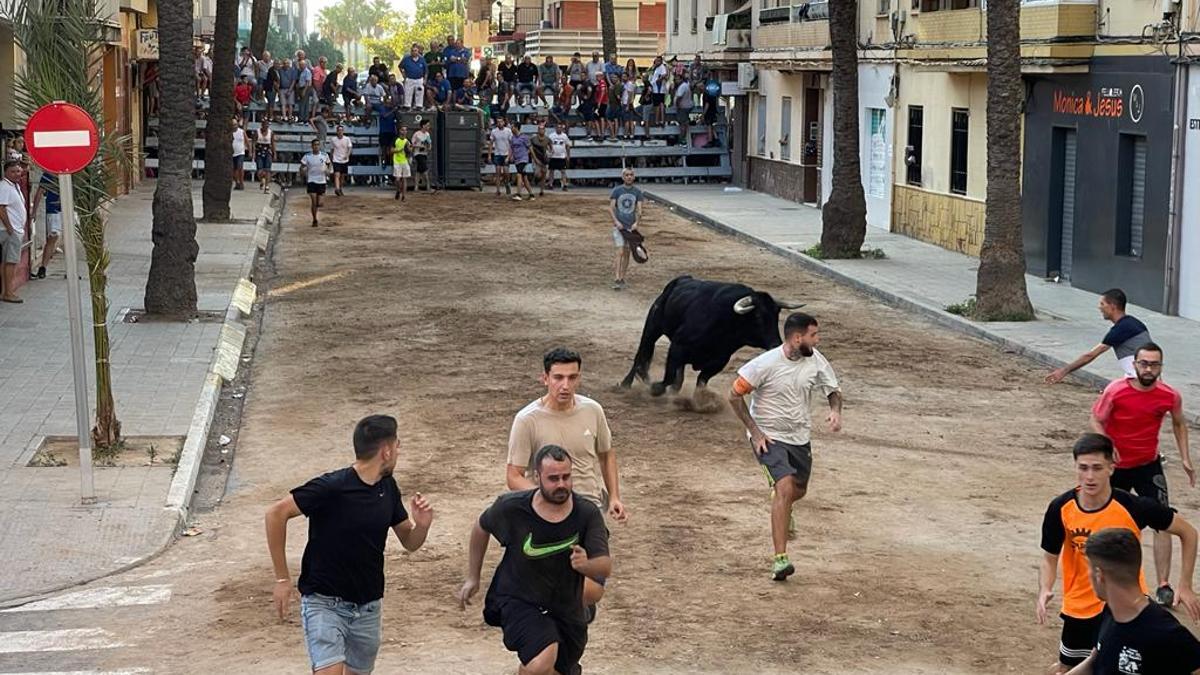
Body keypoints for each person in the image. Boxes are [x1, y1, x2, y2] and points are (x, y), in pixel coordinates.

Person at [265, 414, 433, 675]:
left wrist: (421, 525)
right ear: (386, 451)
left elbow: (410, 542)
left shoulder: (387, 487)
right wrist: (282, 579)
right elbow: (276, 513)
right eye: (397, 445)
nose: (399, 451)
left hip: (368, 606)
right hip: (324, 602)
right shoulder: (332, 487)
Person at [1038, 433, 1200, 673]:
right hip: (1079, 609)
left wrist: (1185, 583)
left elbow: (1188, 532)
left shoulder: (1134, 506)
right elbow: (1049, 556)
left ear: (1111, 468)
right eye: (1083, 468)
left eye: (1097, 468)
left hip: (1125, 605)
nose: (1090, 476)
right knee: (1074, 665)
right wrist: (1045, 588)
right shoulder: (1061, 507)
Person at [460, 444, 611, 675]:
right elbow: (481, 527)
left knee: (556, 668)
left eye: (566, 477)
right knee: (541, 663)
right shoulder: (512, 508)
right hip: (518, 599)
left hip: (565, 606)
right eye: (553, 478)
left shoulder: (587, 514)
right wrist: (473, 577)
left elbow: (605, 566)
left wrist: (587, 565)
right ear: (537, 477)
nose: (561, 484)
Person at [505, 348, 627, 616]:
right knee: (556, 595)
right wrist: (548, 496)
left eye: (572, 378)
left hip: (589, 513)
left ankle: (566, 643)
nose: (565, 385)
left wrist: (615, 496)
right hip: (547, 518)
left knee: (588, 593)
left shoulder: (592, 411)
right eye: (558, 377)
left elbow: (606, 453)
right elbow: (514, 476)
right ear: (544, 378)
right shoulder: (528, 420)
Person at [728, 312, 842, 580]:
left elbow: (833, 390)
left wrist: (836, 411)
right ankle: (780, 559)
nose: (818, 340)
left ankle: (784, 503)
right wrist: (755, 432)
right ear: (797, 337)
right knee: (785, 487)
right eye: (814, 335)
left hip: (800, 438)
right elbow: (733, 395)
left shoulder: (816, 360)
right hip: (770, 438)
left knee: (798, 491)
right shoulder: (765, 364)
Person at [1091, 341, 1194, 605]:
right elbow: (1096, 419)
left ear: (1161, 367)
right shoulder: (1116, 391)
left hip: (1148, 466)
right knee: (1109, 521)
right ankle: (1104, 575)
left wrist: (1185, 457)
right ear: (1134, 365)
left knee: (1164, 521)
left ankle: (1163, 585)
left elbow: (1180, 423)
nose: (1148, 369)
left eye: (1154, 364)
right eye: (1144, 363)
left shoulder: (1169, 395)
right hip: (1117, 468)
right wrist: (1107, 446)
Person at [1064, 528, 1200, 674]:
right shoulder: (1110, 611)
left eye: (1088, 569)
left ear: (1099, 575)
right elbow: (1094, 661)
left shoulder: (1165, 632)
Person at [1047, 289, 1153, 383]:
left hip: (1140, 380)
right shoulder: (1135, 323)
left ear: (1112, 306)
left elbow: (1090, 356)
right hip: (1146, 377)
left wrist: (1063, 371)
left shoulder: (1120, 329)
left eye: (1102, 304)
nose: (1099, 307)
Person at [609, 169, 642, 290]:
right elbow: (611, 208)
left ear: (634, 177)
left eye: (631, 175)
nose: (629, 177)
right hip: (619, 226)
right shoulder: (617, 191)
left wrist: (636, 223)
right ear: (623, 177)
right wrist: (616, 222)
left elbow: (639, 210)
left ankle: (622, 277)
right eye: (627, 175)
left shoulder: (638, 192)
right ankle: (617, 277)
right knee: (620, 251)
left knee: (627, 252)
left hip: (630, 227)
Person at [0, 160, 27, 303]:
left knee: (7, 261)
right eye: (13, 171)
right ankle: (8, 293)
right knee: (10, 262)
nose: (17, 174)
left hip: (15, 230)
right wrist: (10, 228)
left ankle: (5, 291)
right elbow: (1, 208)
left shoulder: (14, 186)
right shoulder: (4, 186)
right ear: (6, 172)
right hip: (11, 231)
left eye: (18, 171)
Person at [30, 170, 61, 280]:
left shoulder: (73, 172)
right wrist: (34, 211)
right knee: (52, 237)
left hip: (67, 209)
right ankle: (43, 267)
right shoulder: (49, 174)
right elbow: (40, 192)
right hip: (53, 210)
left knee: (62, 239)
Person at [299, 139, 331, 227]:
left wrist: (328, 171)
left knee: (319, 203)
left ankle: (316, 207)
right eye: (314, 145)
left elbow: (328, 165)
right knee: (313, 201)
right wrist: (302, 172)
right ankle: (314, 219)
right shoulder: (307, 156)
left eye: (317, 145)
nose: (316, 146)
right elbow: (302, 166)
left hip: (321, 181)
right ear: (312, 146)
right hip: (311, 180)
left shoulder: (324, 155)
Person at [488, 115, 514, 198]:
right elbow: (491, 143)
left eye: (501, 121)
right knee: (498, 172)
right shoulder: (494, 131)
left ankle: (507, 183)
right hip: (497, 154)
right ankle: (498, 190)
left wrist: (510, 155)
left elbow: (511, 144)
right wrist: (489, 155)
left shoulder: (508, 131)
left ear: (504, 122)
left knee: (506, 172)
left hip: (506, 153)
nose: (499, 123)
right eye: (498, 122)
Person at [509, 125, 534, 201]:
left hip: (523, 159)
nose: (512, 128)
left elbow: (530, 148)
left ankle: (519, 194)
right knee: (524, 178)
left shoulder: (524, 137)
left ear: (517, 128)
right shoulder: (513, 138)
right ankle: (531, 195)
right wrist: (510, 156)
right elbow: (512, 148)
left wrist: (531, 156)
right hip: (517, 159)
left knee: (519, 175)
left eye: (513, 127)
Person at [400, 44, 427, 109]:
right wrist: (403, 74)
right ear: (411, 52)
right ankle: (407, 106)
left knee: (419, 93)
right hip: (409, 79)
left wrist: (425, 79)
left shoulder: (422, 59)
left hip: (419, 79)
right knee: (408, 93)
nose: (414, 52)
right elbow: (400, 66)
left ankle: (419, 106)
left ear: (418, 52)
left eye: (415, 51)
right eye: (413, 51)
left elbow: (426, 70)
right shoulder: (406, 59)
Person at [411, 119, 434, 193]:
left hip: (424, 154)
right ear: (423, 126)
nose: (428, 127)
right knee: (425, 169)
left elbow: (430, 143)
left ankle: (416, 187)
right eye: (427, 125)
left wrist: (429, 147)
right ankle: (428, 187)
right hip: (418, 154)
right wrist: (419, 146)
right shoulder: (417, 134)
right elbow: (412, 145)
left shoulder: (427, 134)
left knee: (419, 171)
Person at [329, 125, 353, 197]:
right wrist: (331, 159)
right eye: (339, 130)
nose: (340, 132)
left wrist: (347, 155)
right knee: (337, 174)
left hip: (344, 160)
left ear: (343, 131)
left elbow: (350, 148)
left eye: (341, 130)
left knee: (342, 176)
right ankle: (337, 188)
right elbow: (332, 150)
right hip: (336, 159)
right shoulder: (333, 139)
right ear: (337, 131)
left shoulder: (347, 139)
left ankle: (340, 188)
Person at [547, 121, 571, 191]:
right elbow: (548, 145)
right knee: (551, 171)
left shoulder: (564, 136)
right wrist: (548, 153)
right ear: (555, 128)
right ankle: (550, 184)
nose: (559, 129)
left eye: (560, 127)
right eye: (558, 127)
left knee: (563, 171)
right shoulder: (551, 135)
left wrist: (568, 156)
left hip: (562, 156)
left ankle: (564, 185)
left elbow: (568, 146)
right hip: (553, 156)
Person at [530, 120, 550, 197]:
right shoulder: (533, 138)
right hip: (536, 158)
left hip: (544, 158)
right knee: (538, 175)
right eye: (540, 129)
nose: (541, 130)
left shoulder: (547, 139)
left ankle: (542, 190)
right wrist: (534, 158)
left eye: (543, 129)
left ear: (544, 130)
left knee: (545, 175)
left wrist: (549, 153)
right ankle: (536, 180)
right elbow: (530, 148)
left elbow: (550, 148)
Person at [254, 119, 275, 193]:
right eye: (264, 125)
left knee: (268, 169)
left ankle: (267, 186)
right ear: (262, 125)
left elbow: (273, 143)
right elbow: (254, 143)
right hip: (259, 151)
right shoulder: (257, 132)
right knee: (259, 170)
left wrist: (274, 153)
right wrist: (253, 153)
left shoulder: (271, 132)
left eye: (267, 125)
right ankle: (262, 179)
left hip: (268, 151)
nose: (266, 126)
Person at [392, 124, 411, 201]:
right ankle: (398, 190)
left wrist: (409, 149)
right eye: (403, 130)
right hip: (397, 161)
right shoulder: (395, 139)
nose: (404, 131)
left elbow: (410, 150)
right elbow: (391, 150)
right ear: (400, 131)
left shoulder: (407, 140)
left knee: (404, 179)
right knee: (397, 179)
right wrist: (399, 150)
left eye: (405, 130)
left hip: (405, 161)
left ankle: (403, 196)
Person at [702, 76, 721, 147]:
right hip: (713, 110)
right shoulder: (712, 92)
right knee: (711, 126)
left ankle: (710, 141)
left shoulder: (706, 93)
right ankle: (716, 139)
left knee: (709, 125)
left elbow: (707, 104)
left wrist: (703, 114)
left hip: (709, 112)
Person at [649, 56, 668, 127]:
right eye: (656, 61)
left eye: (658, 61)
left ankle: (658, 120)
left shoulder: (662, 67)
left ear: (661, 61)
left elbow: (664, 75)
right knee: (659, 104)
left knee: (658, 105)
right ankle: (660, 120)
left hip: (658, 89)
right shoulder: (655, 68)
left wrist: (658, 80)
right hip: (655, 88)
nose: (657, 62)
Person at [674, 76, 693, 143]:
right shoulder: (685, 85)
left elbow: (679, 97)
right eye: (675, 79)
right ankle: (683, 138)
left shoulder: (682, 86)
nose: (676, 81)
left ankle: (682, 139)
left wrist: (677, 105)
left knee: (682, 124)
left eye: (678, 79)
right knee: (683, 123)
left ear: (681, 79)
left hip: (683, 107)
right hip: (687, 106)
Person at [231, 115, 247, 191]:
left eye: (235, 124)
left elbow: (246, 141)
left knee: (240, 167)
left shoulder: (241, 132)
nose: (234, 126)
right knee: (234, 169)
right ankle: (237, 182)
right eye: (233, 125)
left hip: (240, 152)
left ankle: (241, 182)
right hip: (232, 153)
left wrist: (249, 151)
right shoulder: (229, 133)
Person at [278, 57, 297, 121]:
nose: (286, 64)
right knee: (283, 103)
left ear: (289, 64)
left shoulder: (293, 70)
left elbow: (293, 81)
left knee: (290, 103)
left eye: (287, 63)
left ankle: (290, 117)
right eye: (285, 63)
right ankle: (284, 117)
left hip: (290, 88)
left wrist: (290, 90)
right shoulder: (280, 70)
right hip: (282, 88)